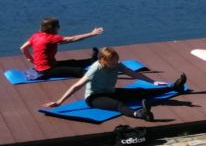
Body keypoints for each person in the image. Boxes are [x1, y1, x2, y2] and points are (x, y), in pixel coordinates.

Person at [43, 47, 187, 121]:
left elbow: (134, 74)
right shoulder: (95, 69)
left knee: (140, 91)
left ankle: (173, 87)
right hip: (94, 98)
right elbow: (76, 86)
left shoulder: (117, 65)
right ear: (104, 60)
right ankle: (141, 114)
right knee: (118, 105)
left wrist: (153, 81)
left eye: (116, 60)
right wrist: (58, 102)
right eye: (112, 61)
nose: (115, 63)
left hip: (110, 92)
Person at [20, 17, 104, 79]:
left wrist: (30, 59)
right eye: (57, 26)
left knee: (72, 62)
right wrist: (91, 33)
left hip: (48, 65)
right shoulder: (52, 38)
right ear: (52, 28)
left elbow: (23, 48)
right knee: (78, 71)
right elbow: (73, 39)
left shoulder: (35, 36)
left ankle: (93, 60)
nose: (59, 28)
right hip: (47, 70)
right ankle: (101, 71)